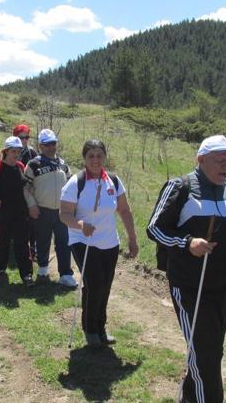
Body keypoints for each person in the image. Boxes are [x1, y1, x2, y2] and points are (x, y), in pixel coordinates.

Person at [146, 134, 226, 403]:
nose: (225, 166)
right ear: (201, 160)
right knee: (205, 356)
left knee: (210, 352)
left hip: (221, 286)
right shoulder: (180, 187)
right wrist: (187, 242)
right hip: (190, 286)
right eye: (219, 160)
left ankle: (188, 397)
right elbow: (154, 228)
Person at [59, 139, 138, 347]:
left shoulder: (114, 180)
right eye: (91, 156)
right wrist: (80, 224)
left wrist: (133, 239)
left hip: (109, 242)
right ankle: (91, 330)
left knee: (105, 286)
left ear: (105, 157)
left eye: (99, 155)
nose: (95, 160)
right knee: (94, 284)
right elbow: (64, 215)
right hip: (83, 240)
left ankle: (101, 328)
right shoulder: (76, 182)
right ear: (84, 158)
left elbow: (124, 211)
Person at [24, 129, 76, 287]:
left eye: (53, 143)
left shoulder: (63, 164)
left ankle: (66, 274)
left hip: (62, 212)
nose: (51, 147)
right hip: (42, 210)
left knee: (64, 242)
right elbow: (25, 187)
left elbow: (71, 185)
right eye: (47, 144)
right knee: (42, 241)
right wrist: (31, 205)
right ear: (40, 146)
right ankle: (43, 270)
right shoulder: (34, 164)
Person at [0, 136, 35, 287]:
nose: (16, 154)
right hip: (3, 211)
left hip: (20, 211)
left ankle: (26, 275)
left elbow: (24, 183)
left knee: (22, 243)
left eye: (18, 151)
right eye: (13, 151)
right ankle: (1, 268)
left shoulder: (19, 166)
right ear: (6, 151)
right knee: (3, 241)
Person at [13, 124, 39, 261]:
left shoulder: (32, 152)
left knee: (32, 220)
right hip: (16, 191)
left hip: (29, 190)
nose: (24, 140)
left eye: (26, 137)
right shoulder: (10, 151)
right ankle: (19, 245)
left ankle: (32, 247)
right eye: (21, 137)